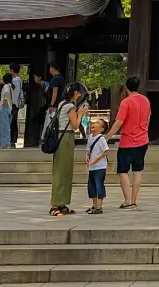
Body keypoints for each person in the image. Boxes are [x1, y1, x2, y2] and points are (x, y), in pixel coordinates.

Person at [106, 75, 151, 210]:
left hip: (128, 141)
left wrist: (107, 136)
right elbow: (148, 118)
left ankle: (127, 201)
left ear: (127, 87)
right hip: (143, 140)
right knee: (137, 170)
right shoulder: (146, 100)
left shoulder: (126, 102)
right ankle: (134, 199)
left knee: (123, 171)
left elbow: (119, 121)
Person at [48, 82, 88, 217]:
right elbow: (76, 125)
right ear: (74, 93)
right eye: (78, 92)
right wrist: (81, 113)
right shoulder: (70, 106)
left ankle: (61, 202)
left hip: (62, 137)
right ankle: (55, 204)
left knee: (63, 170)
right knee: (62, 171)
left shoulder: (61, 104)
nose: (79, 95)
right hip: (66, 137)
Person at [85, 116, 109, 215]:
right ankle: (94, 205)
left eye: (98, 123)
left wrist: (96, 159)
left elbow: (106, 151)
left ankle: (99, 206)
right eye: (95, 123)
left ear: (102, 129)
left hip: (100, 166)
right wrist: (87, 156)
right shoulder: (91, 137)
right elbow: (88, 149)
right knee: (91, 186)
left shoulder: (101, 139)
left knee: (99, 185)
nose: (94, 124)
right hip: (92, 166)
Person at [8, 64, 24, 146]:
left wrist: (13, 104)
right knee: (13, 122)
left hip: (14, 104)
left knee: (12, 122)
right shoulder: (18, 80)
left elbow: (15, 93)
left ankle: (12, 140)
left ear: (12, 70)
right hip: (16, 104)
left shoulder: (16, 80)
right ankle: (13, 140)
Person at [0, 73, 15, 149]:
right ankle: (6, 143)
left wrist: (5, 103)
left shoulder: (6, 86)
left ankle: (5, 144)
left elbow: (6, 94)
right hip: (10, 107)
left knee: (4, 126)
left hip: (5, 106)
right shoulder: (11, 86)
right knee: (7, 126)